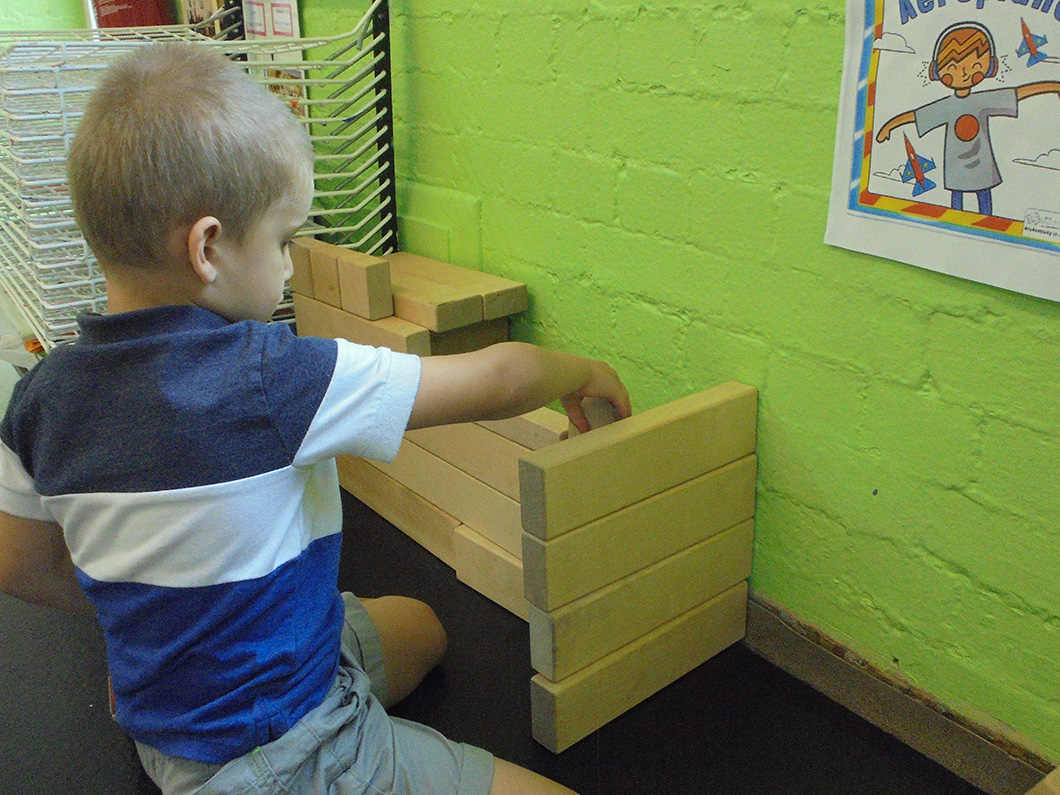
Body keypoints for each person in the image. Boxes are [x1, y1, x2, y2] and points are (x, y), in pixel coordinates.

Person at [0, 42, 630, 795]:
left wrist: (148, 626)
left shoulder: (38, 397)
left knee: (421, 627)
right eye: (283, 241)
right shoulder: (272, 378)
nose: (290, 265)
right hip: (283, 756)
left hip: (166, 727)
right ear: (208, 248)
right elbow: (497, 379)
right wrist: (580, 372)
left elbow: (19, 564)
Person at [875, 21, 1060, 216]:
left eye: (975, 66)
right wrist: (889, 125)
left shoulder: (984, 100)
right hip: (956, 170)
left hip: (983, 167)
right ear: (936, 70)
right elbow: (917, 116)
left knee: (984, 202)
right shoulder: (946, 106)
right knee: (957, 204)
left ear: (990, 67)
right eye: (953, 67)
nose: (963, 72)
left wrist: (1053, 86)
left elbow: (1018, 93)